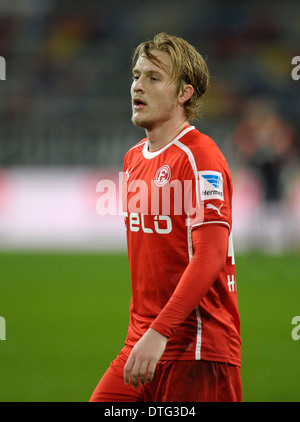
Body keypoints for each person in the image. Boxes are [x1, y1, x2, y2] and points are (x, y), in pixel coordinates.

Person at [90, 33, 242, 402]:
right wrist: (148, 335)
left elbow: (209, 256)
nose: (137, 86)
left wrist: (160, 332)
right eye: (136, 75)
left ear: (184, 94)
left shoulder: (200, 156)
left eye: (153, 78)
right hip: (142, 344)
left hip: (199, 349)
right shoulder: (132, 159)